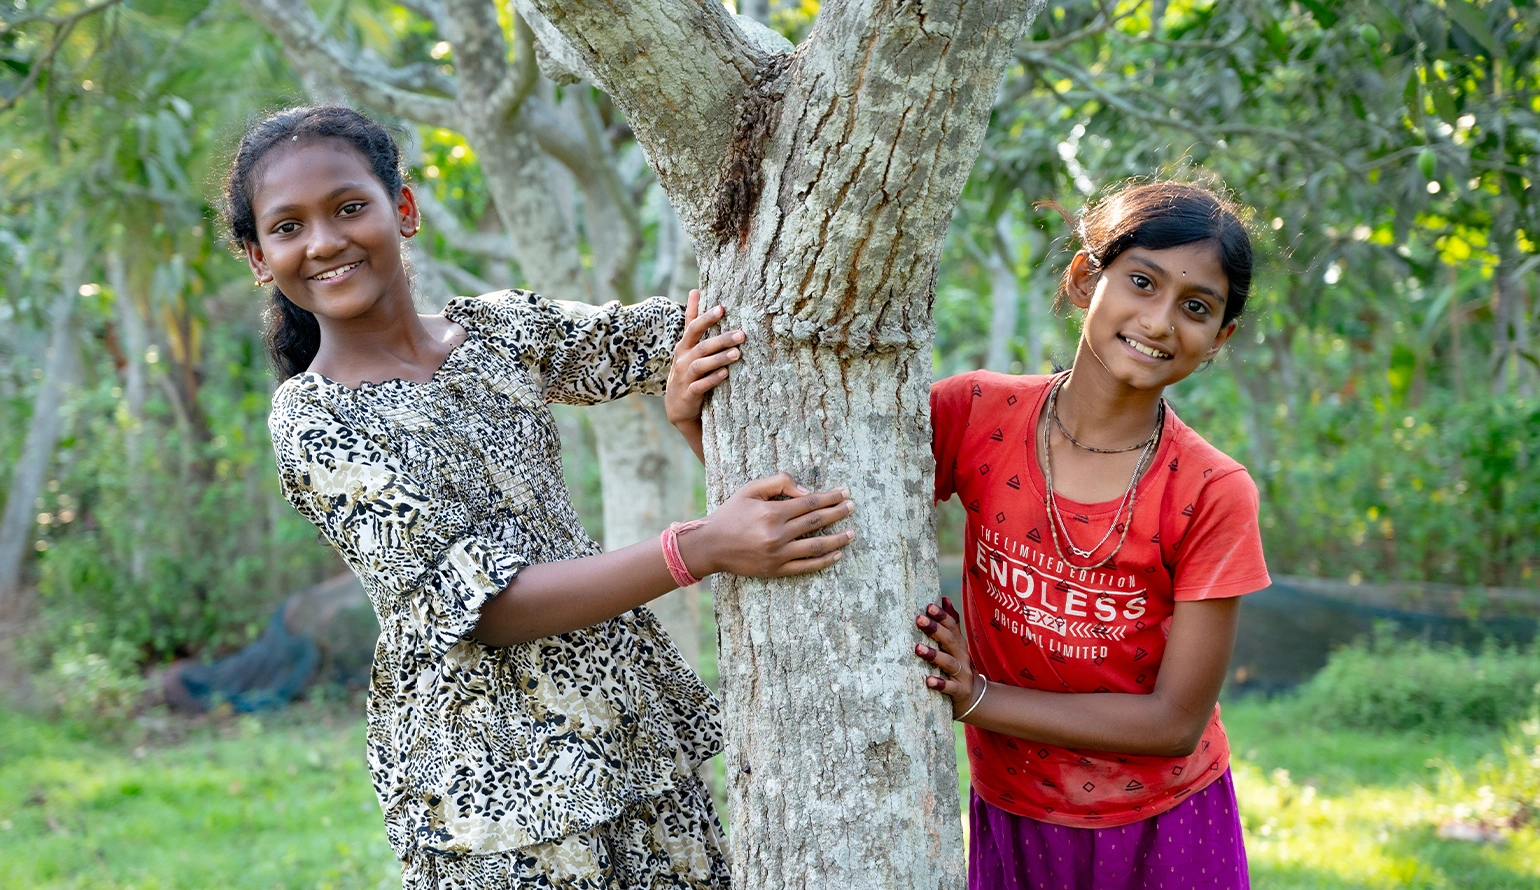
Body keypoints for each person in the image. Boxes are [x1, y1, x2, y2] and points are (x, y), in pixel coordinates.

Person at [224, 105, 855, 889]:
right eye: (288, 227)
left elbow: (667, 335)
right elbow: (485, 606)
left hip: (628, 735)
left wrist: (688, 379)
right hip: (498, 793)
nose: (324, 241)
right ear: (260, 257)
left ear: (404, 210)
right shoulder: (316, 421)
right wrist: (699, 547)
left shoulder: (496, 332)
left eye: (350, 207)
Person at [915, 179, 1271, 889]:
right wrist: (693, 424)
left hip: (1166, 823)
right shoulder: (974, 413)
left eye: (1196, 307)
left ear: (1219, 339)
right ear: (1085, 278)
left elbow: (1175, 721)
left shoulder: (1211, 491)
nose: (1161, 321)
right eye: (1142, 281)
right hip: (1012, 809)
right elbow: (830, 509)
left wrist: (977, 698)